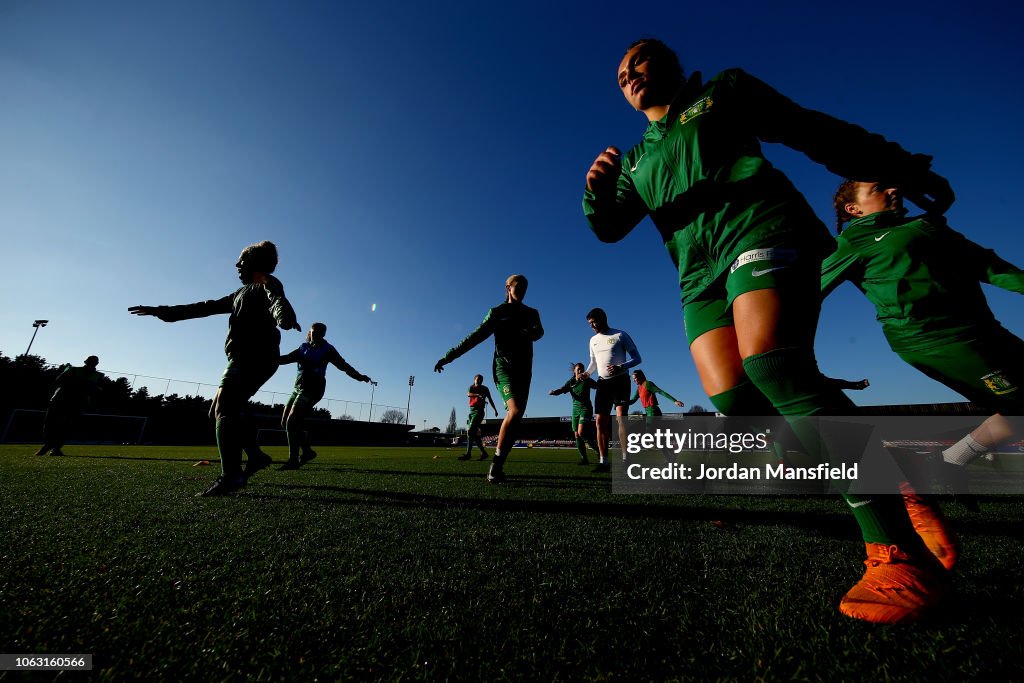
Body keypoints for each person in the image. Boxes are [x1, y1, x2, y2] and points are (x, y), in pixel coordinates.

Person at [583, 38, 954, 624]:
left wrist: (897, 164)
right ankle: (900, 481)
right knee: (738, 401)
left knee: (774, 364)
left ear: (675, 63)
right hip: (697, 275)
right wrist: (595, 194)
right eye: (620, 72)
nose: (629, 72)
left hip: (762, 227)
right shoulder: (634, 159)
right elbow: (608, 227)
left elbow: (810, 129)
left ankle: (896, 553)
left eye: (641, 58)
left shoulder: (721, 93)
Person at [825, 179, 1024, 560]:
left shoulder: (929, 226)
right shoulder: (852, 243)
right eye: (879, 187)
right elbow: (805, 292)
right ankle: (937, 467)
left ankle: (940, 464)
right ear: (854, 208)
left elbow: (989, 266)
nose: (895, 189)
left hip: (987, 331)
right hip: (932, 340)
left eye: (894, 184)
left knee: (1015, 413)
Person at [129, 240, 300, 497]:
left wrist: (284, 317)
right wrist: (163, 312)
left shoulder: (267, 282)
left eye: (241, 261)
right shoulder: (239, 294)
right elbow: (205, 307)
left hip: (255, 357)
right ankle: (254, 457)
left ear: (255, 264)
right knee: (218, 411)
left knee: (225, 409)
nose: (236, 265)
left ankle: (232, 476)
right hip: (243, 358)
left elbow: (277, 299)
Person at [434, 274, 543, 484]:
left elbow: (540, 332)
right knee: (516, 410)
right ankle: (494, 467)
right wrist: (447, 357)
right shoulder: (497, 313)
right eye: (518, 286)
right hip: (504, 369)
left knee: (516, 417)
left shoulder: (532, 313)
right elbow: (473, 338)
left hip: (525, 370)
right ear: (508, 287)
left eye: (525, 287)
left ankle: (498, 465)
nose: (522, 290)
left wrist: (530, 333)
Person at [278, 322, 372, 470]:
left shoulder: (327, 350)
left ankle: (293, 460)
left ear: (323, 335)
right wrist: (265, 357)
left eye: (319, 333)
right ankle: (307, 452)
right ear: (310, 332)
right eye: (313, 332)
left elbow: (343, 365)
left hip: (314, 388)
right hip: (297, 388)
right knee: (285, 423)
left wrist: (359, 376)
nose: (315, 335)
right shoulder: (303, 347)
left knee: (292, 421)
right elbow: (285, 359)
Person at [584, 308, 641, 472]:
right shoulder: (592, 340)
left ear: (603, 318)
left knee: (621, 420)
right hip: (602, 383)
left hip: (621, 381)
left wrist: (620, 367)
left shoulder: (620, 335)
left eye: (594, 322)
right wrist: (586, 374)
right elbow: (593, 363)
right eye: (590, 324)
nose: (592, 326)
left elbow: (637, 358)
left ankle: (626, 460)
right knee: (600, 422)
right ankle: (603, 462)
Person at [34, 355, 103, 457]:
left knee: (65, 426)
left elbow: (98, 390)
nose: (91, 364)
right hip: (60, 400)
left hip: (76, 403)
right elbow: (59, 381)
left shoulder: (98, 375)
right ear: (86, 362)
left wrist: (92, 390)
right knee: (51, 424)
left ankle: (55, 448)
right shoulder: (73, 370)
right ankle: (49, 445)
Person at [548, 363, 599, 465]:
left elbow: (597, 386)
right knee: (577, 434)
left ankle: (599, 451)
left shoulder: (586, 380)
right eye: (578, 369)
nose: (580, 371)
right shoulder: (571, 382)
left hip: (586, 408)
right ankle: (584, 459)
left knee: (581, 432)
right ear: (574, 371)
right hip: (575, 409)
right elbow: (562, 390)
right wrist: (554, 392)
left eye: (582, 369)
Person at [459, 374, 499, 461]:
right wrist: (477, 395)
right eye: (478, 380)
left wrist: (494, 409)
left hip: (479, 412)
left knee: (470, 431)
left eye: (481, 380)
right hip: (471, 412)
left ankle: (468, 454)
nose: (480, 381)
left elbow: (490, 399)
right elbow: (468, 394)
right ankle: (484, 453)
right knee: (473, 434)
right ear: (474, 380)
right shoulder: (471, 387)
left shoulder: (485, 389)